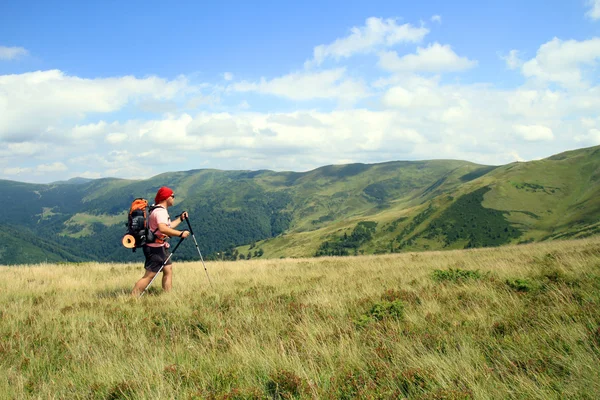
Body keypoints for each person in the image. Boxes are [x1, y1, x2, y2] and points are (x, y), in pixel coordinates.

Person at [132, 186, 190, 296]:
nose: (173, 198)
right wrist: (180, 234)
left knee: (168, 269)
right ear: (166, 197)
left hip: (158, 246)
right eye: (172, 196)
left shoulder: (158, 209)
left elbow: (167, 226)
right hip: (155, 248)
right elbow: (163, 229)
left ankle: (168, 296)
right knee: (149, 275)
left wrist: (180, 219)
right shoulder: (160, 212)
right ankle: (132, 298)